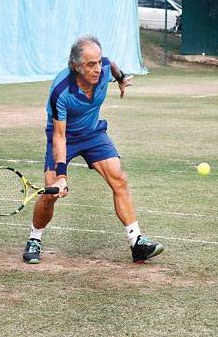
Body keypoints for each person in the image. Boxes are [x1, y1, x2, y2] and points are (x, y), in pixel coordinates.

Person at [23, 35, 164, 264]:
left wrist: (121, 78)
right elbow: (59, 137)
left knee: (119, 178)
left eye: (98, 62)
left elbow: (112, 66)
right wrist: (61, 176)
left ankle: (136, 242)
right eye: (90, 64)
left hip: (92, 133)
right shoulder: (61, 90)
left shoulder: (104, 67)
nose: (97, 68)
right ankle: (34, 238)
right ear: (75, 66)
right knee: (50, 193)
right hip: (64, 136)